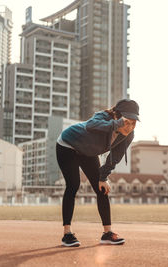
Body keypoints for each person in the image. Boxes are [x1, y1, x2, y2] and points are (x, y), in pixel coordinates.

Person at [56, 99, 139, 247]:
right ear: (117, 115)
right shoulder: (103, 116)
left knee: (102, 188)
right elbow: (90, 125)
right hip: (68, 145)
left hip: (88, 152)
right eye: (128, 120)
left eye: (134, 122)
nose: (130, 126)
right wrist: (117, 124)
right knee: (73, 185)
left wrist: (103, 176)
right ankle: (67, 234)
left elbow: (115, 157)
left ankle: (107, 233)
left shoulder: (128, 135)